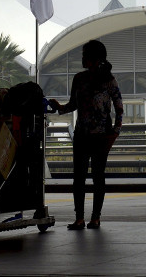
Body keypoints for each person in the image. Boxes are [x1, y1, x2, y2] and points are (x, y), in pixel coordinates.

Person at [49, 39, 123, 230]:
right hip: (83, 134)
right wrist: (60, 108)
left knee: (96, 176)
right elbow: (74, 105)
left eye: (85, 55)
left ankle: (94, 217)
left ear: (94, 58)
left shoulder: (108, 79)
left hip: (100, 136)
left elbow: (119, 107)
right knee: (80, 177)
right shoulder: (79, 79)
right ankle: (81, 218)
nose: (82, 58)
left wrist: (115, 132)